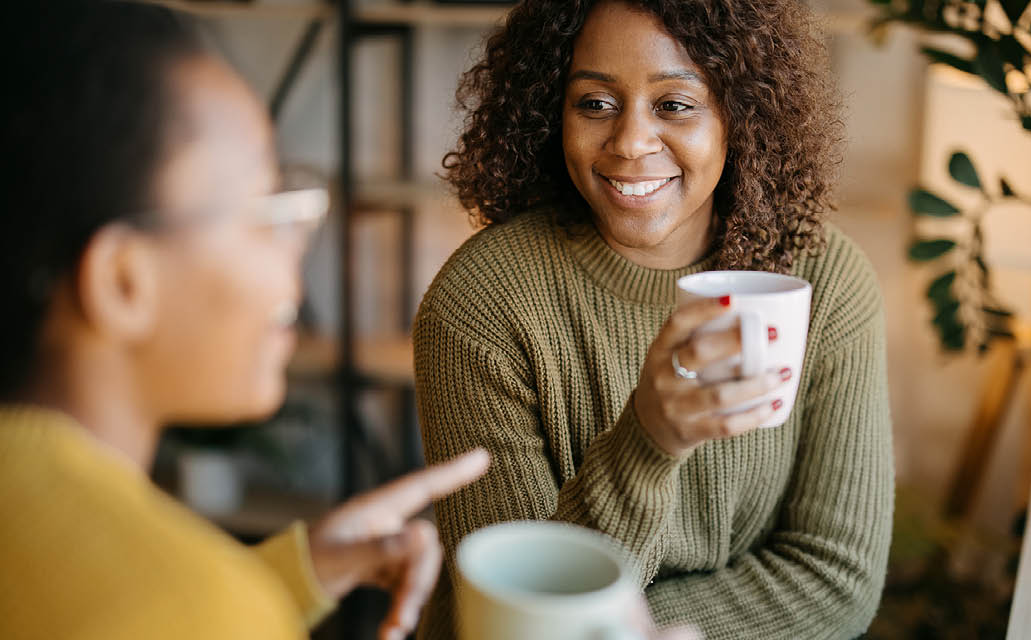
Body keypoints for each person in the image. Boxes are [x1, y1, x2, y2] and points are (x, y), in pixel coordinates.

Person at [0, 3, 489, 639]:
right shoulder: (197, 610)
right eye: (265, 211)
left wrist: (286, 576)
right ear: (123, 282)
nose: (299, 251)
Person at [413, 0, 895, 638]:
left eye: (674, 104)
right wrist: (647, 440)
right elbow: (522, 614)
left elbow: (837, 582)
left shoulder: (825, 285)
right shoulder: (480, 304)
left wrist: (627, 629)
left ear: (740, 114)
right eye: (595, 103)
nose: (631, 142)